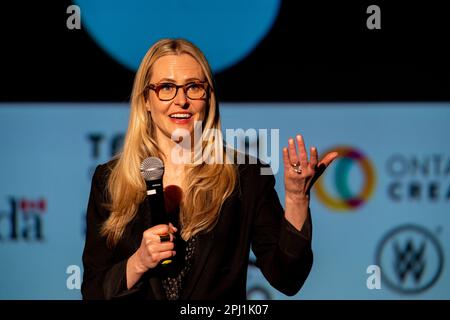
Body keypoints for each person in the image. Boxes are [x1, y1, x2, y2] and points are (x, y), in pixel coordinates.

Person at [81, 38, 338, 300]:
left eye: (193, 87)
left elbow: (287, 278)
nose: (181, 100)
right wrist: (138, 263)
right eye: (167, 87)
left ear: (208, 97)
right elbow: (93, 291)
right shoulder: (110, 180)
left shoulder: (245, 175)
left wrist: (296, 199)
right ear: (146, 99)